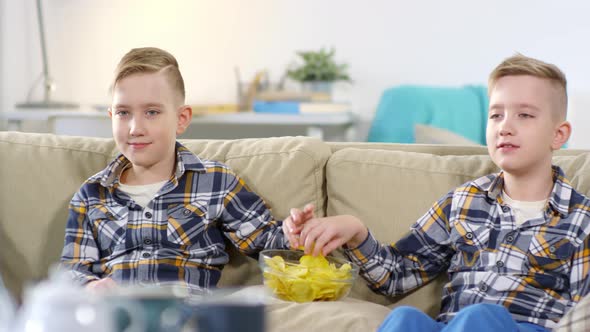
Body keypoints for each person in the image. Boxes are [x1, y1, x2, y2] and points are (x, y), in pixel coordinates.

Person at [285, 54, 590, 332]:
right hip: (454, 327)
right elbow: (396, 275)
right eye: (496, 115)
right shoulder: (463, 201)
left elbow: (581, 314)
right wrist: (355, 231)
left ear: (558, 134)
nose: (505, 127)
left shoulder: (581, 221)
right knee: (406, 319)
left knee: (479, 317)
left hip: (526, 327)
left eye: (524, 115)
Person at [60, 47, 309, 292]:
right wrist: (91, 286)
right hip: (118, 315)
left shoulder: (216, 183)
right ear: (111, 115)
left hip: (187, 314)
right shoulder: (91, 194)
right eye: (123, 113)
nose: (135, 127)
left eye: (152, 112)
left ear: (182, 119)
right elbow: (74, 269)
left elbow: (266, 242)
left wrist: (299, 232)